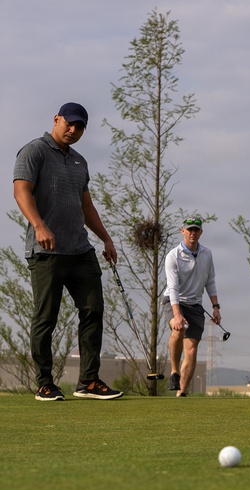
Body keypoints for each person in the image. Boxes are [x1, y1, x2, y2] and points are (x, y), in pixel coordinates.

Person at [13, 102, 123, 401]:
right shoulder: (34, 151)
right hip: (46, 251)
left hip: (80, 250)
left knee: (93, 310)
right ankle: (45, 383)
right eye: (70, 123)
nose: (73, 130)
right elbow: (21, 190)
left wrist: (106, 238)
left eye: (80, 127)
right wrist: (38, 225)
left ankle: (88, 381)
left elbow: (86, 205)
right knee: (45, 318)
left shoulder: (79, 162)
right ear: (56, 119)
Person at [163, 217, 220, 397]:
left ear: (201, 232)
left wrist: (216, 307)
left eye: (196, 230)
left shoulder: (207, 254)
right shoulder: (173, 256)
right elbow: (173, 287)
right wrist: (177, 315)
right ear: (183, 231)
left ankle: (181, 392)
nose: (193, 233)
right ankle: (174, 372)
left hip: (196, 305)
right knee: (178, 329)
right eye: (189, 230)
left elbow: (210, 281)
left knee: (192, 349)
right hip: (174, 301)